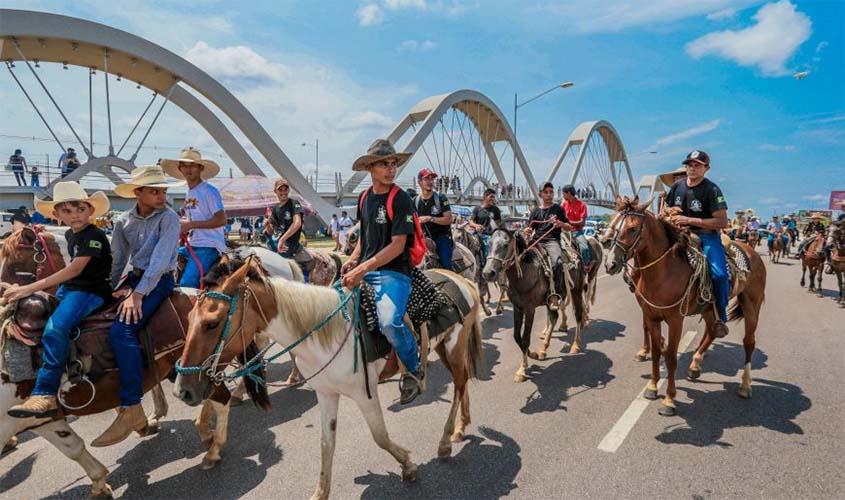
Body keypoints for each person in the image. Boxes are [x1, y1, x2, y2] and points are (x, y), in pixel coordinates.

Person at [93, 165, 183, 447]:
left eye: (163, 191)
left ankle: (131, 404)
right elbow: (118, 260)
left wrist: (138, 294)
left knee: (122, 332)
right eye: (154, 191)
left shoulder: (169, 218)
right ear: (138, 193)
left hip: (160, 280)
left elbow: (159, 261)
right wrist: (108, 291)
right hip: (133, 278)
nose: (161, 195)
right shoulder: (123, 221)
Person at [5, 183, 112, 419]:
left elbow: (75, 269)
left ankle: (45, 393)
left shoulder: (94, 235)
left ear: (90, 211)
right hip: (72, 289)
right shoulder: (72, 234)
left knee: (55, 329)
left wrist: (29, 287)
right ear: (57, 215)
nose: (74, 214)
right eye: (67, 211)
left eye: (80, 209)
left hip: (90, 291)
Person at [341, 139, 422, 404]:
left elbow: (398, 246)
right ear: (369, 168)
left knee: (389, 321)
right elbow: (365, 236)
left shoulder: (400, 199)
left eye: (393, 163)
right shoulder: (364, 198)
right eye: (384, 164)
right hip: (367, 268)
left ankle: (412, 368)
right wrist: (353, 259)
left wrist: (363, 268)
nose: (391, 169)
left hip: (393, 273)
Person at [663, 150, 731, 338]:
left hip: (706, 236)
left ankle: (720, 315)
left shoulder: (712, 190)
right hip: (679, 233)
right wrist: (671, 210)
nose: (692, 168)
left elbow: (722, 222)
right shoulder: (677, 187)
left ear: (706, 168)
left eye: (697, 165)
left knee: (719, 275)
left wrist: (690, 220)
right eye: (689, 165)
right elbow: (666, 208)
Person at [161, 147, 227, 289]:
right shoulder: (189, 193)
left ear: (200, 168)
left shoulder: (209, 191)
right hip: (192, 244)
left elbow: (222, 220)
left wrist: (190, 225)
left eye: (192, 165)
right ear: (180, 168)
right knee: (160, 260)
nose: (188, 169)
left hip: (208, 245)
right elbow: (190, 220)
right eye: (184, 165)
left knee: (187, 284)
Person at [525, 181, 569, 311]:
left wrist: (560, 223)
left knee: (558, 262)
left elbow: (569, 226)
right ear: (540, 194)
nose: (549, 195)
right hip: (536, 241)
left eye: (551, 192)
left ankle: (556, 294)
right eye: (546, 192)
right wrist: (527, 231)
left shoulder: (559, 209)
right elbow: (530, 228)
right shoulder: (535, 211)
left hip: (551, 241)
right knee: (517, 256)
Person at [414, 169, 453, 270]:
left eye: (432, 179)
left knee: (445, 264)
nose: (430, 182)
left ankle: (450, 282)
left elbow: (448, 219)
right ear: (419, 182)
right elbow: (410, 219)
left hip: (441, 237)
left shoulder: (441, 198)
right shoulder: (415, 201)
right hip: (422, 239)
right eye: (426, 178)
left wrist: (430, 218)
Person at [561, 184, 594, 272]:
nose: (563, 196)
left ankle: (586, 266)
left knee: (584, 248)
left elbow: (582, 223)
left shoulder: (582, 205)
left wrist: (569, 222)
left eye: (563, 193)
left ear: (568, 193)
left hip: (577, 232)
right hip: (564, 232)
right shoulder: (564, 205)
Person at [467, 188, 502, 262]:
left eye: (494, 197)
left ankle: (485, 266)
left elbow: (499, 224)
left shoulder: (495, 210)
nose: (493, 199)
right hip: (476, 234)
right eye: (491, 197)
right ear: (485, 197)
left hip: (489, 236)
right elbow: (470, 221)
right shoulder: (477, 209)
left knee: (487, 248)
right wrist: (476, 226)